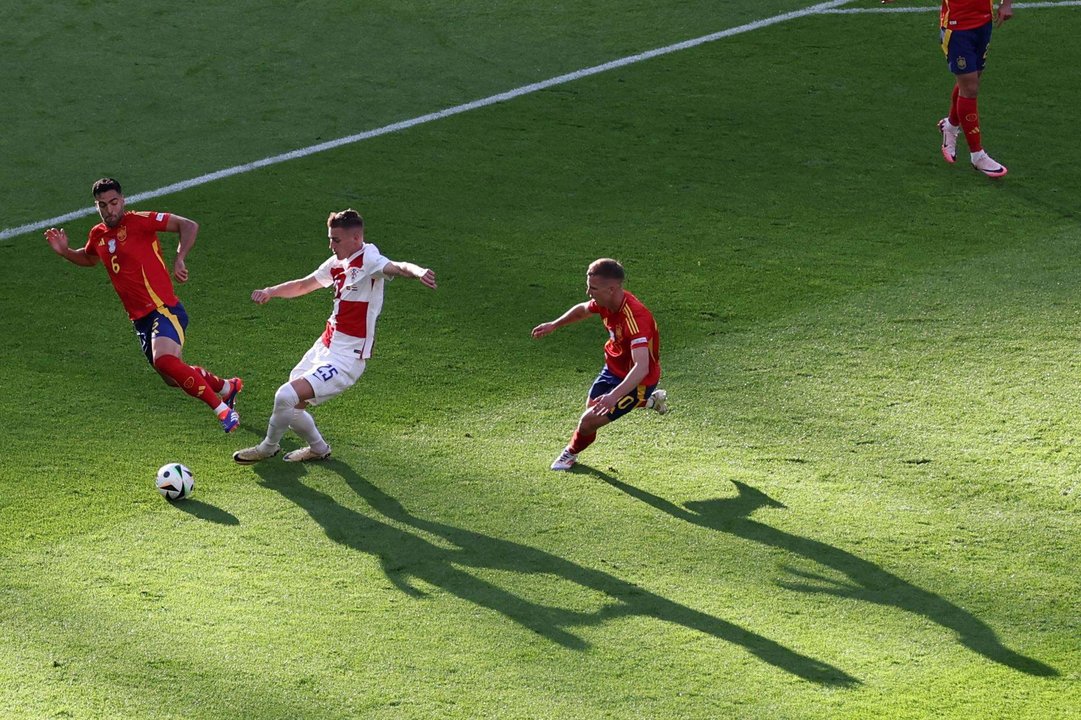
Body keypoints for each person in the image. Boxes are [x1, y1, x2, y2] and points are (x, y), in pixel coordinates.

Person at [232, 209, 436, 464]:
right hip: (325, 344)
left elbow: (397, 266)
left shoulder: (369, 260)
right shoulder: (338, 263)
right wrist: (270, 291)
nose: (330, 245)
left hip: (346, 358)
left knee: (285, 396)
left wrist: (419, 272)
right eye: (330, 239)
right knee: (291, 407)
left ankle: (267, 447)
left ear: (356, 238)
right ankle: (318, 448)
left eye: (336, 240)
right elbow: (304, 285)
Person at [43, 178, 242, 432]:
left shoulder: (139, 221)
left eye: (114, 203)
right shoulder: (99, 234)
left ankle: (223, 410)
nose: (109, 210)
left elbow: (188, 225)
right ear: (97, 206)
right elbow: (89, 258)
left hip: (163, 309)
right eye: (102, 205)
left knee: (164, 360)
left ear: (122, 200)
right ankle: (227, 386)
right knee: (173, 377)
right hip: (140, 321)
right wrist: (65, 251)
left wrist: (180, 258)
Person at [531, 258, 668, 471]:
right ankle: (650, 402)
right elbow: (583, 309)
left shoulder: (635, 317)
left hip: (638, 379)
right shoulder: (606, 302)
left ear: (612, 289)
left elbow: (642, 367)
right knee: (592, 412)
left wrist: (614, 395)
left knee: (588, 422)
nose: (589, 292)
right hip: (613, 368)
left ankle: (570, 453)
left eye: (593, 288)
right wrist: (554, 324)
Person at [883, 0, 1013, 177]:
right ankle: (977, 155)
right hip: (957, 29)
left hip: (983, 23)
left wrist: (1006, 4)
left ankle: (950, 126)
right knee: (970, 87)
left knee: (971, 79)